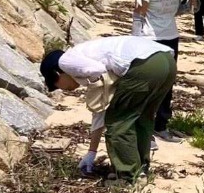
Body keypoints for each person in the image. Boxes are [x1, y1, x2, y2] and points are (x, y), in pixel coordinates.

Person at [40, 36, 177, 182]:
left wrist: (95, 88)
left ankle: (127, 176)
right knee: (141, 117)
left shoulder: (65, 61)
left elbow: (98, 70)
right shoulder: (84, 54)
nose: (62, 89)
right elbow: (100, 112)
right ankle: (140, 170)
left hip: (144, 65)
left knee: (119, 121)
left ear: (57, 74)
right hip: (165, 61)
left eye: (56, 85)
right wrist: (92, 152)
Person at [132, 0, 193, 142]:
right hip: (150, 38)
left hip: (171, 36)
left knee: (167, 82)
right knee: (149, 83)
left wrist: (189, 6)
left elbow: (174, 11)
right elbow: (138, 15)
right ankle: (143, 128)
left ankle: (161, 125)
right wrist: (135, 41)